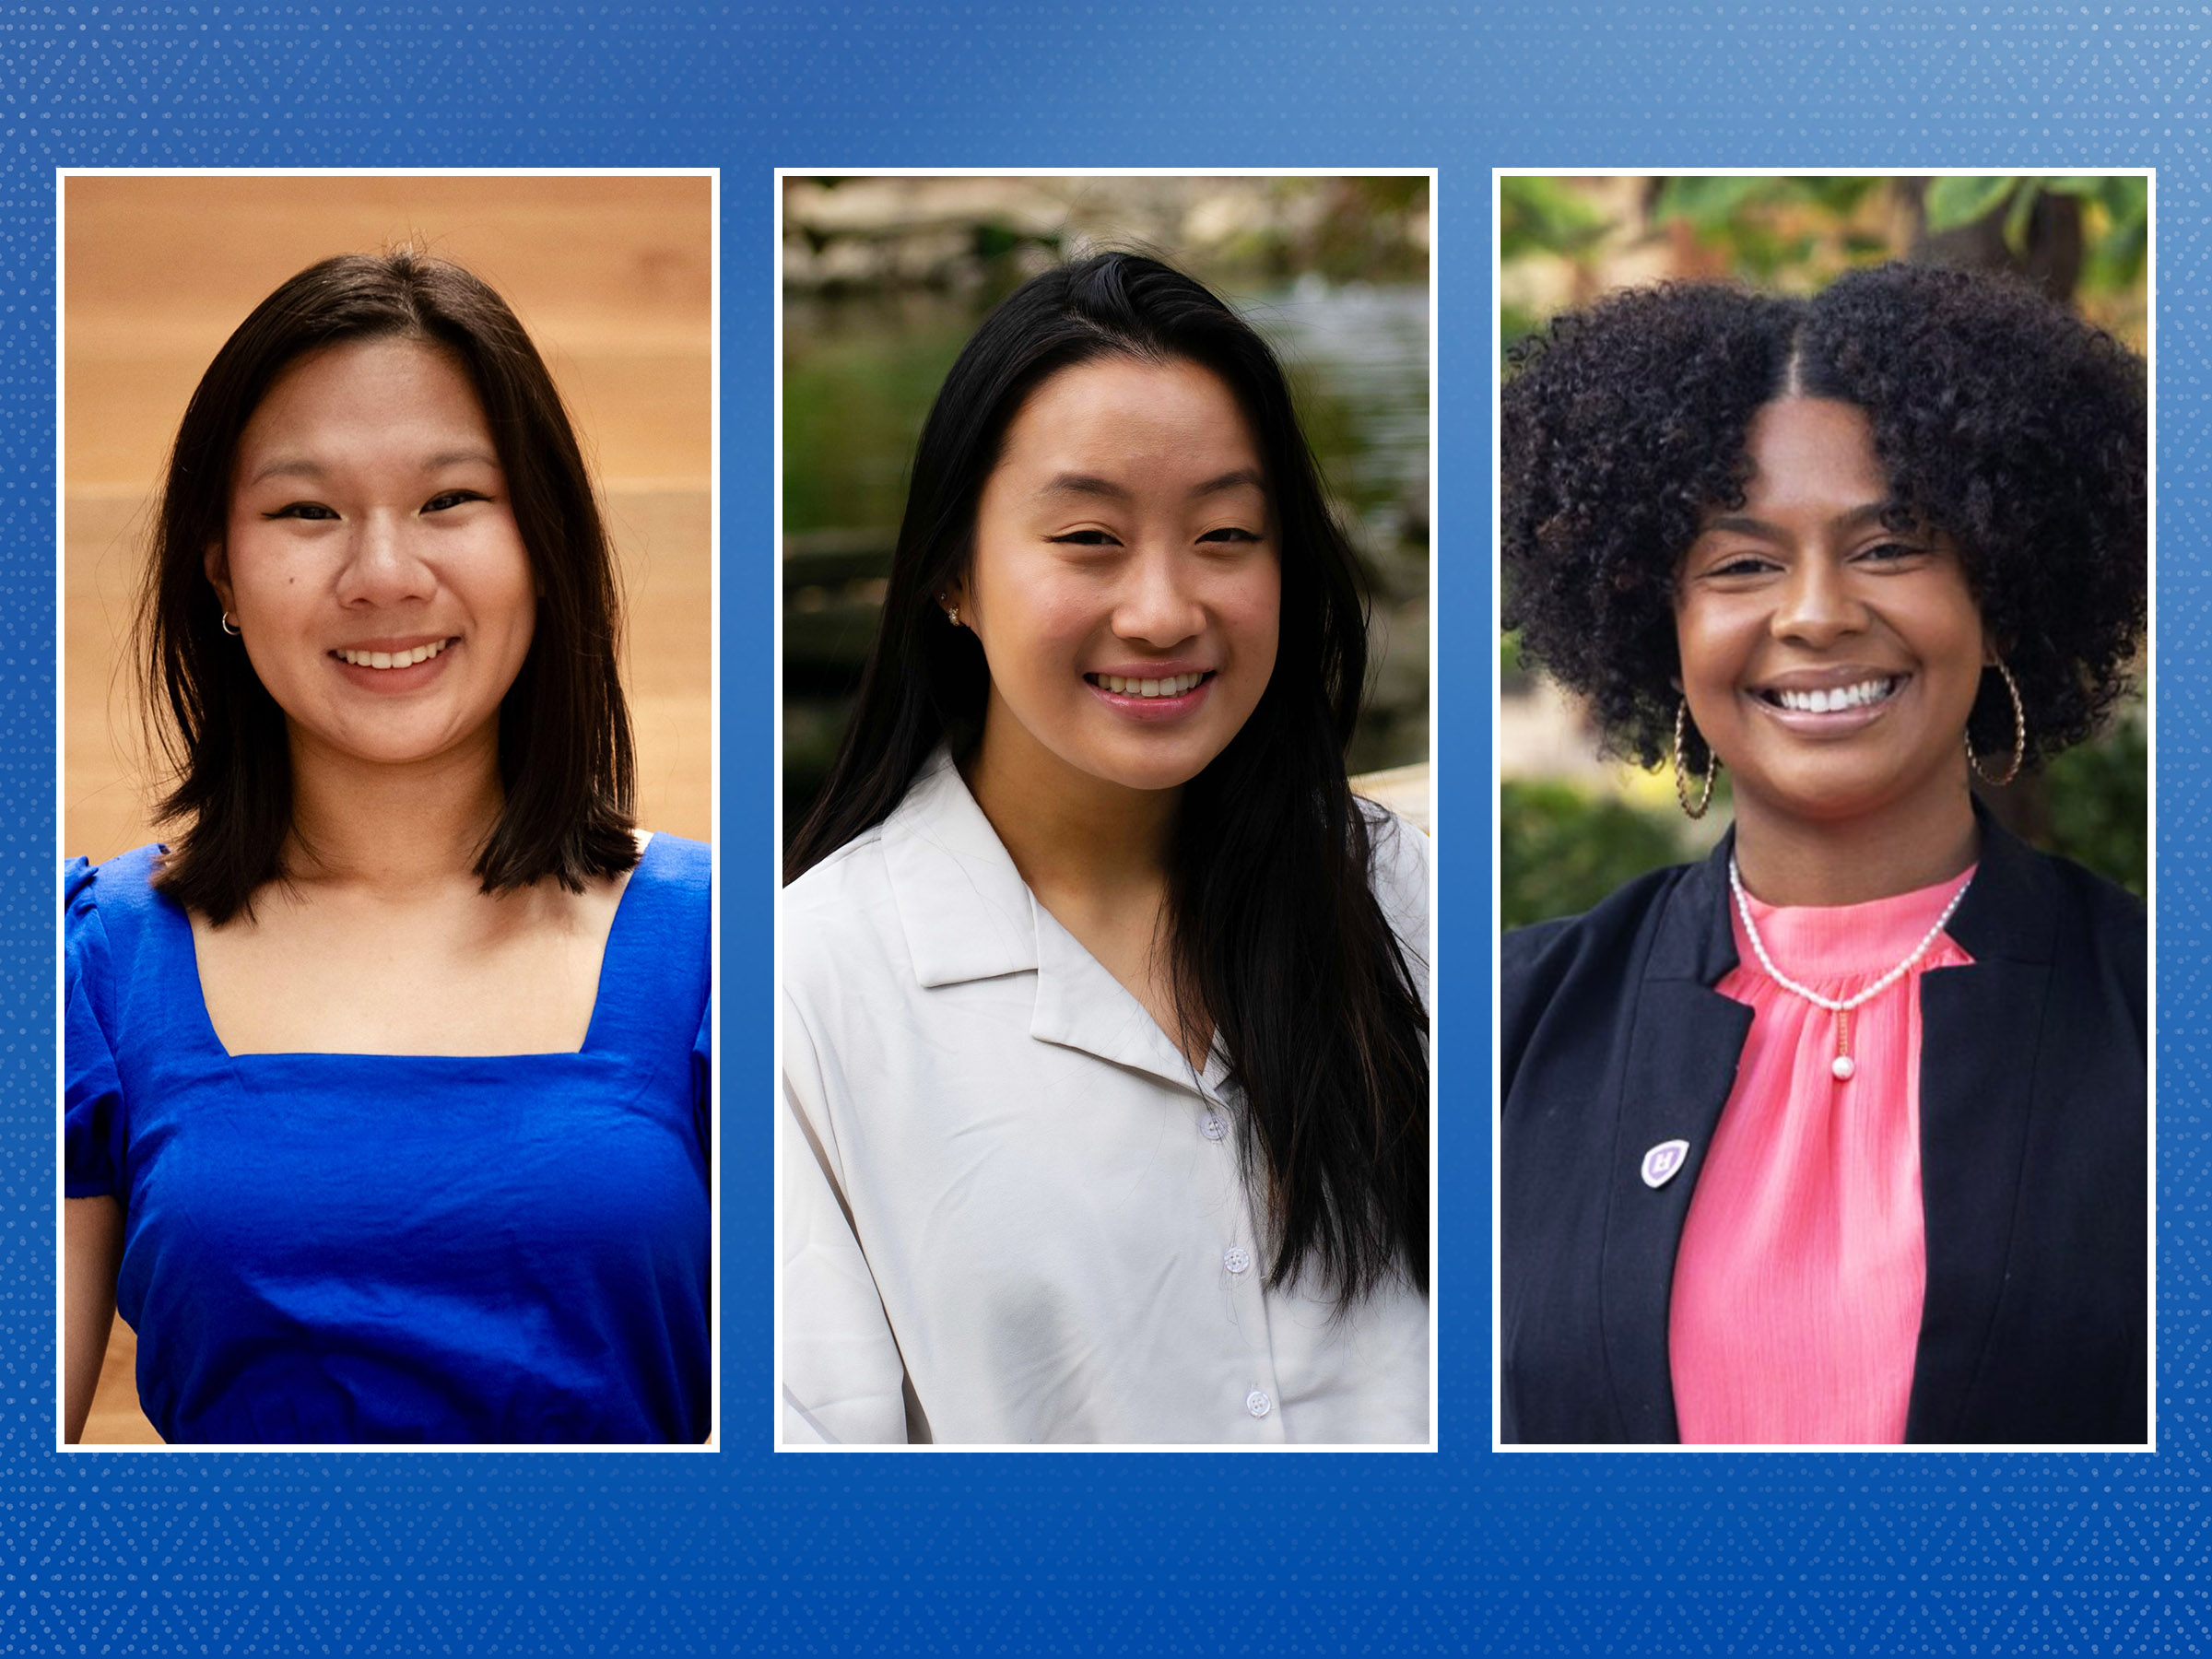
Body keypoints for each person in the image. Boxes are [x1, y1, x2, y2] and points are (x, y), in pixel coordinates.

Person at [780, 252, 1430, 1445]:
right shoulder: (811, 991)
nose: (1164, 609)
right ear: (952, 576)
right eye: (1088, 536)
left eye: (1227, 534)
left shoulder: (1409, 897)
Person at [63, 252, 712, 1445]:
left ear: (543, 544)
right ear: (222, 567)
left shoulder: (730, 950)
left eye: (450, 501)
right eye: (306, 511)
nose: (382, 575)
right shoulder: (92, 964)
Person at [1499, 262, 2147, 1445]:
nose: (1814, 613)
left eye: (1890, 546)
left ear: (1997, 591)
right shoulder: (1502, 1026)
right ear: (1663, 625)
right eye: (1741, 563)